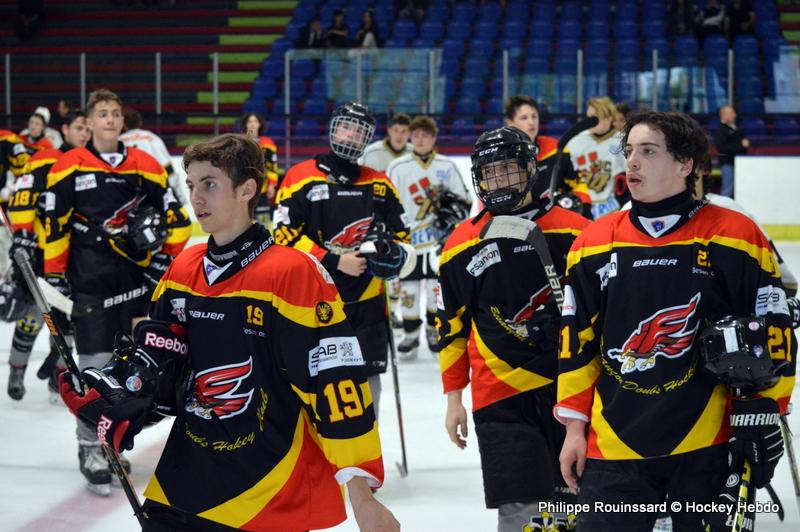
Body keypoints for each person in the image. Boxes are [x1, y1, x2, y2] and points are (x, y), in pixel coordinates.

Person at [58, 133, 400, 531]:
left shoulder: (292, 272)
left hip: (270, 491)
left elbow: (334, 384)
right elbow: (164, 371)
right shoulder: (183, 270)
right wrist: (124, 399)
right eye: (191, 185)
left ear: (247, 189)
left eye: (210, 184)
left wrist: (362, 495)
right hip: (186, 482)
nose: (196, 198)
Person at [556, 111, 795, 530]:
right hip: (613, 441)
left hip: (709, 442)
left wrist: (765, 411)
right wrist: (574, 428)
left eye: (648, 151)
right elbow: (576, 343)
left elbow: (774, 330)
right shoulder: (592, 243)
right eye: (629, 151)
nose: (632, 162)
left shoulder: (735, 235)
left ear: (685, 164)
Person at [438, 126, 589, 532]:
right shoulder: (461, 243)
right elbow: (451, 328)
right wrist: (454, 399)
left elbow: (601, 315)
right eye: (489, 173)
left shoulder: (577, 232)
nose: (498, 180)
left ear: (529, 168)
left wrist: (569, 324)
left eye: (506, 169)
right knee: (522, 514)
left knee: (576, 508)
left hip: (569, 389)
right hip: (500, 395)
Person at [43, 88, 191, 496]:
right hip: (90, 282)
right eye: (102, 113)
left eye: (115, 113)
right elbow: (54, 225)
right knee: (93, 365)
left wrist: (167, 261)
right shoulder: (69, 165)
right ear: (89, 122)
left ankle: (111, 439)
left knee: (132, 369)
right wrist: (54, 274)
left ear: (123, 120)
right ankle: (90, 447)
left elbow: (176, 217)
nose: (109, 119)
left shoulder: (146, 164)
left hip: (136, 282)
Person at [273, 102, 413, 417]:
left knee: (367, 387)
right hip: (312, 301)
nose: (351, 135)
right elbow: (283, 237)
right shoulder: (301, 177)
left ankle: (365, 444)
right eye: (346, 127)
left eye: (359, 131)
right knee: (312, 385)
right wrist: (334, 261)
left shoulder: (379, 184)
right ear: (333, 128)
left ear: (368, 139)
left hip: (367, 304)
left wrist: (390, 255)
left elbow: (404, 240)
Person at [5, 109, 90, 402]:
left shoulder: (94, 163)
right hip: (43, 254)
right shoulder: (46, 158)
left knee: (70, 323)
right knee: (32, 319)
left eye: (88, 128)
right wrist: (24, 235)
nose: (84, 133)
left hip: (80, 257)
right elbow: (23, 199)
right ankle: (17, 369)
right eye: (79, 127)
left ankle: (58, 378)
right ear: (64, 129)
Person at [387, 115, 470, 360]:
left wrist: (453, 214)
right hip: (409, 241)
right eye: (416, 135)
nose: (420, 139)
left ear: (434, 138)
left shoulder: (447, 166)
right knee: (409, 289)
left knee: (436, 289)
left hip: (438, 241)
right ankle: (410, 333)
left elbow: (464, 200)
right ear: (410, 137)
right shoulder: (398, 167)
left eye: (426, 135)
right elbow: (387, 202)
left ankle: (435, 330)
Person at [360, 112, 413, 328]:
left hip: (403, 218)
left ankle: (399, 311)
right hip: (377, 218)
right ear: (389, 130)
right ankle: (385, 310)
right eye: (396, 130)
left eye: (404, 131)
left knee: (401, 267)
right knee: (379, 264)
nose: (399, 135)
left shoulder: (413, 153)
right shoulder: (371, 153)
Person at [503, 95, 590, 218]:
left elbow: (578, 184)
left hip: (554, 221)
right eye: (524, 118)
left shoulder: (555, 148)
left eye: (534, 116)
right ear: (510, 123)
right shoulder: (500, 157)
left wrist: (583, 210)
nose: (531, 122)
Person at [564, 96, 626, 219]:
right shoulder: (576, 140)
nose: (589, 122)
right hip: (580, 207)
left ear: (608, 118)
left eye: (594, 118)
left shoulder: (623, 142)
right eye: (588, 117)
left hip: (612, 210)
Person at [120, 107, 186, 205]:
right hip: (154, 190)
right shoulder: (153, 138)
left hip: (128, 194)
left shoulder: (119, 141)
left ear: (123, 125)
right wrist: (180, 198)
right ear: (140, 122)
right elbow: (168, 168)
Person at [240, 112, 280, 227]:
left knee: (263, 221)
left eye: (255, 121)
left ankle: (263, 237)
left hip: (262, 188)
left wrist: (272, 184)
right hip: (242, 188)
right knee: (244, 220)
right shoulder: (240, 142)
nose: (252, 124)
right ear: (245, 124)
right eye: (249, 121)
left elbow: (272, 165)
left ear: (260, 124)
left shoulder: (268, 143)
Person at [714, 105, 749, 199]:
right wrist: (741, 145)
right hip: (728, 163)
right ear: (723, 115)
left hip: (738, 163)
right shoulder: (721, 130)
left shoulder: (735, 128)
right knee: (728, 189)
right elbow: (722, 148)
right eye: (731, 113)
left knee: (736, 189)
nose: (734, 115)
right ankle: (724, 207)